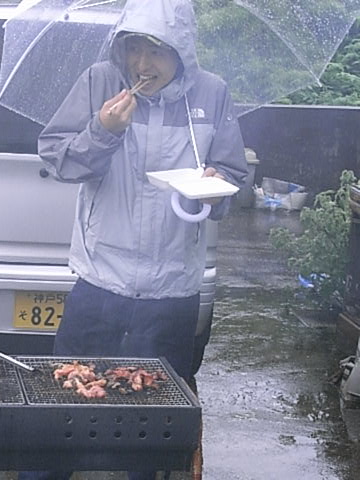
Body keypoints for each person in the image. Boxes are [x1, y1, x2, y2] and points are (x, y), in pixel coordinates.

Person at [19, 0, 248, 479]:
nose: (143, 64)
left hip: (172, 290)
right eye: (134, 49)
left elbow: (231, 177)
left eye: (157, 51)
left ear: (182, 50)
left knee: (154, 424)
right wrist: (102, 131)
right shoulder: (101, 81)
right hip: (101, 279)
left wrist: (210, 188)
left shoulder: (212, 93)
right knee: (63, 406)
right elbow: (59, 160)